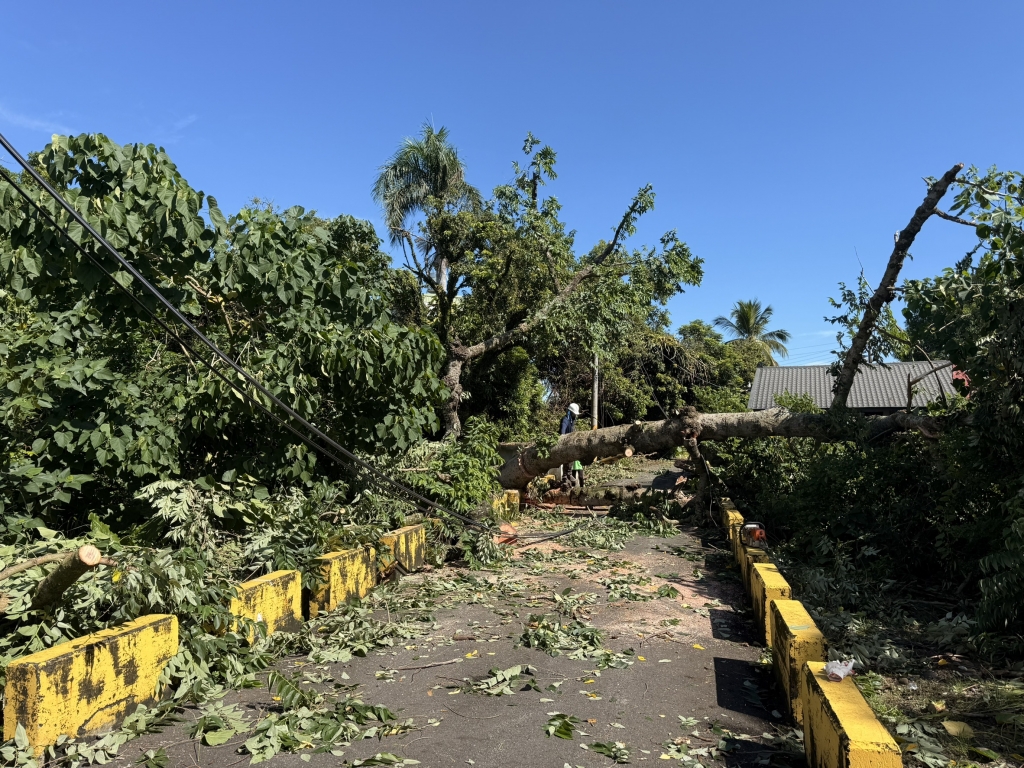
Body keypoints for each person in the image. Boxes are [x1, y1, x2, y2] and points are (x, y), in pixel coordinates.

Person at [559, 404, 584, 488]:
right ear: (570, 412)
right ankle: (565, 477)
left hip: (571, 445)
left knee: (571, 461)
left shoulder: (572, 421)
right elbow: (562, 432)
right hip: (565, 445)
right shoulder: (565, 420)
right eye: (574, 414)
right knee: (566, 461)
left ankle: (569, 475)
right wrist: (563, 438)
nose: (575, 416)